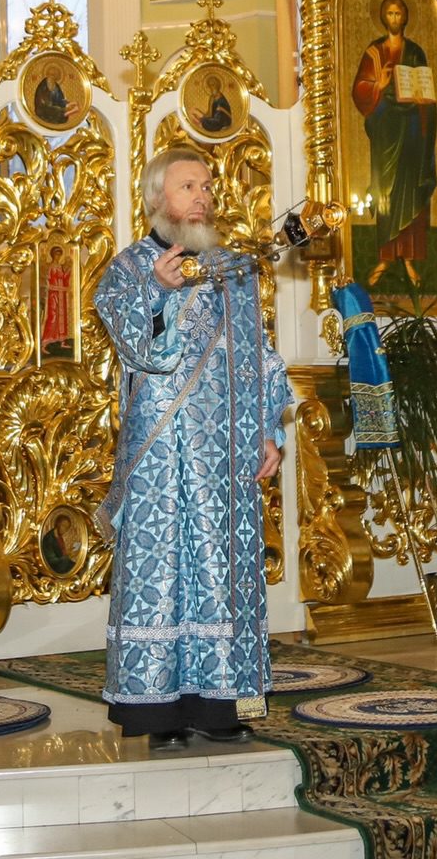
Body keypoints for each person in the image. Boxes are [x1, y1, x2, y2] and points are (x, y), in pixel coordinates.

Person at [95, 149, 290, 750]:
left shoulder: (234, 269)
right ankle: (158, 713)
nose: (202, 196)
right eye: (187, 186)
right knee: (162, 571)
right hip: (162, 450)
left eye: (206, 186)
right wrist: (158, 292)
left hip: (227, 448)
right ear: (157, 198)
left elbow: (259, 354)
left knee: (222, 569)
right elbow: (140, 352)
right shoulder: (128, 270)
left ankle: (222, 706)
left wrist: (268, 430)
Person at [351, 0, 437, 292]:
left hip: (413, 128)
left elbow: (426, 89)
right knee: (385, 190)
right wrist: (381, 85)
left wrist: (423, 101)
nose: (395, 18)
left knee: (410, 191)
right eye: (390, 13)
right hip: (386, 130)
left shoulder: (415, 51)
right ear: (382, 17)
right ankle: (385, 258)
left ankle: (410, 259)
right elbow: (360, 90)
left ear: (406, 17)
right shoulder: (374, 52)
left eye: (399, 13)